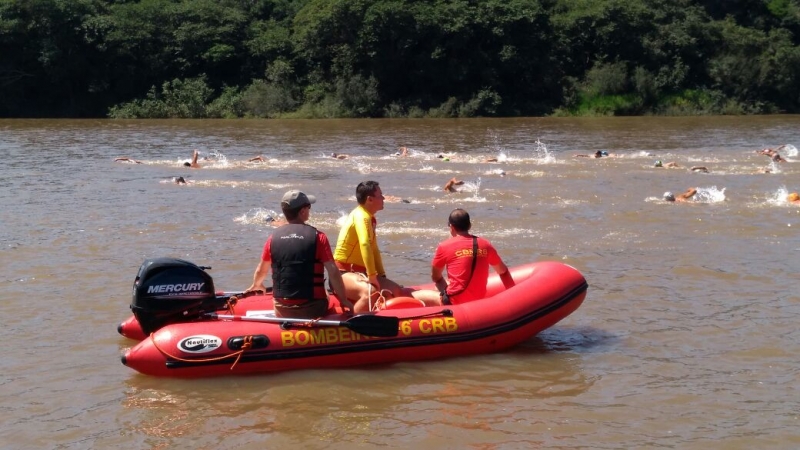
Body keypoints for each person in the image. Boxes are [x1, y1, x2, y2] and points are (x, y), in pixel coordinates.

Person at [333, 181, 439, 312]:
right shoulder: (361, 216)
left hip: (360, 273)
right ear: (370, 199)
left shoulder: (370, 218)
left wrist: (381, 275)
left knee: (396, 291)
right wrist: (372, 276)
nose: (383, 198)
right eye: (380, 195)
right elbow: (364, 244)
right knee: (371, 293)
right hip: (342, 274)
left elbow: (374, 249)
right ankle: (353, 327)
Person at [245, 190, 351, 318]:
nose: (309, 210)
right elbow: (333, 272)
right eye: (308, 207)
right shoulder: (319, 237)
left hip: (281, 309)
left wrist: (256, 285)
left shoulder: (272, 238)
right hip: (312, 308)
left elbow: (262, 270)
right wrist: (344, 300)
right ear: (302, 211)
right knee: (326, 293)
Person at [431, 209, 514, 304]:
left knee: (421, 294)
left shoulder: (444, 246)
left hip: (454, 301)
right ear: (470, 226)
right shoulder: (485, 244)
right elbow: (503, 271)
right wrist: (513, 299)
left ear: (451, 227)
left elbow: (436, 277)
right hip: (477, 301)